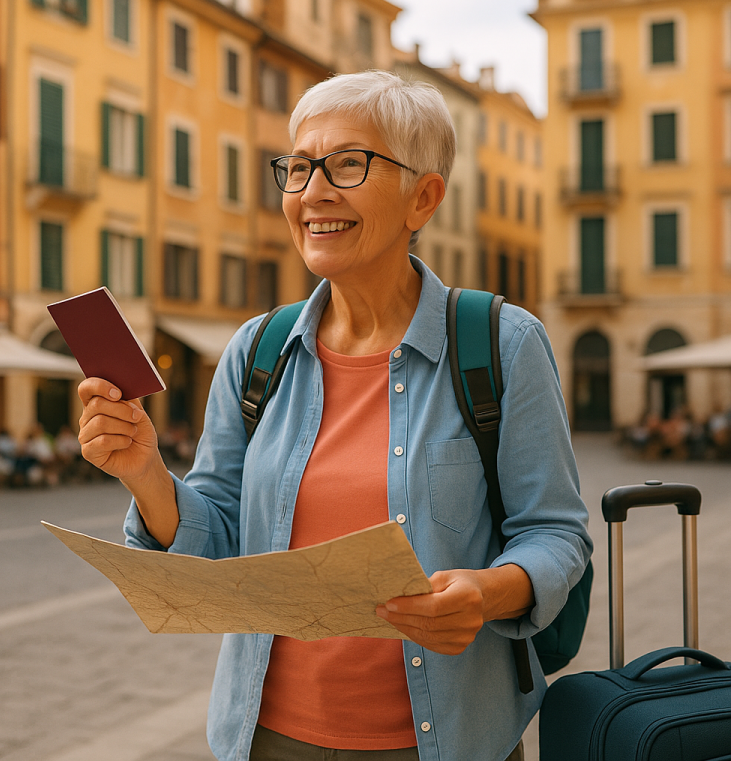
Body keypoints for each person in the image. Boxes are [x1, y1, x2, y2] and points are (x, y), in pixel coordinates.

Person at [77, 71, 592, 761]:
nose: (313, 191)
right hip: (268, 737)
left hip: (449, 740)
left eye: (348, 164)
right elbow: (219, 547)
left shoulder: (504, 344)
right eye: (297, 167)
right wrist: (145, 473)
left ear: (424, 197)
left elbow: (555, 532)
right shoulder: (257, 350)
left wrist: (491, 592)